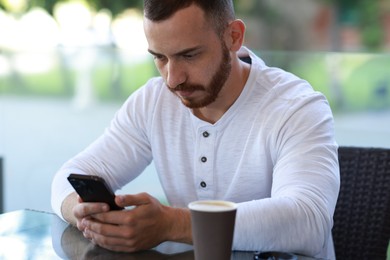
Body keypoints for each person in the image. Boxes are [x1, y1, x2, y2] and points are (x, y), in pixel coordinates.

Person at [51, 0, 340, 259]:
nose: (173, 79)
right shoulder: (153, 101)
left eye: (189, 55)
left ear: (233, 37)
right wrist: (83, 214)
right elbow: (70, 175)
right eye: (160, 58)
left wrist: (172, 224)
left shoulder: (297, 107)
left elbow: (308, 220)